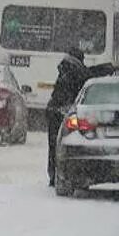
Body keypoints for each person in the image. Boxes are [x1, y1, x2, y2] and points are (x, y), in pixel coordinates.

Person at [46, 48, 91, 186]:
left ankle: (54, 174)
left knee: (54, 145)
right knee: (62, 144)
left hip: (54, 111)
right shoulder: (73, 71)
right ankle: (59, 175)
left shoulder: (66, 68)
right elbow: (87, 75)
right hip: (60, 112)